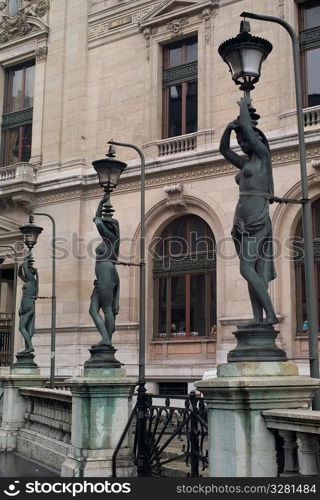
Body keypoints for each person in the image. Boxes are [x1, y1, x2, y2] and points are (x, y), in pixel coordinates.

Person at [219, 96, 278, 326]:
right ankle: (258, 318)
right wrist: (228, 129)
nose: (242, 144)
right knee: (251, 269)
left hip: (256, 218)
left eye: (245, 139)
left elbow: (252, 135)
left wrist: (244, 105)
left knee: (247, 268)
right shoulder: (245, 164)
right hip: (242, 220)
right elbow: (224, 149)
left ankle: (271, 315)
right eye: (240, 141)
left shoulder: (262, 156)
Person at [89, 192, 120, 347]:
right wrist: (101, 203)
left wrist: (101, 211)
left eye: (109, 224)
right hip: (101, 277)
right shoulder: (107, 240)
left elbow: (98, 222)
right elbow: (98, 220)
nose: (105, 225)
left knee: (107, 308)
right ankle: (106, 338)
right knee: (93, 310)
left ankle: (107, 340)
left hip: (106, 273)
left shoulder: (112, 238)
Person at [18, 253, 38, 353]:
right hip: (25, 304)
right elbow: (20, 274)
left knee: (21, 327)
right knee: (25, 327)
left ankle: (30, 347)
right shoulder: (28, 280)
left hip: (28, 305)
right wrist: (20, 266)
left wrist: (26, 259)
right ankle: (27, 348)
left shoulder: (31, 279)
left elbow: (25, 271)